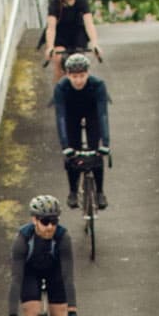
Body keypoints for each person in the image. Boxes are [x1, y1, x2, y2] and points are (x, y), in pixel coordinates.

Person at [7, 193, 80, 316]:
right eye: (45, 221)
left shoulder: (62, 237)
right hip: (30, 273)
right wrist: (12, 315)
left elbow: (68, 277)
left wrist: (72, 312)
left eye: (54, 221)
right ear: (34, 220)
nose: (49, 226)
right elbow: (16, 279)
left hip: (55, 273)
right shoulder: (23, 239)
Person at [53, 52, 111, 210]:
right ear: (67, 75)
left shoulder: (98, 85)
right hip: (71, 114)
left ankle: (100, 192)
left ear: (88, 73)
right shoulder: (61, 88)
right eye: (74, 77)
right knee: (73, 154)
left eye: (82, 75)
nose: (78, 80)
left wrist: (105, 143)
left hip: (92, 112)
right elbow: (61, 118)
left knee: (96, 152)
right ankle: (72, 191)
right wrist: (66, 146)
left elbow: (103, 114)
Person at [44, 0, 101, 83]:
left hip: (77, 34)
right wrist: (50, 47)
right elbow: (51, 28)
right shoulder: (55, 2)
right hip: (60, 34)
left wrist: (95, 43)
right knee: (59, 62)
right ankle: (59, 95)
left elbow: (89, 23)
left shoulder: (81, 0)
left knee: (80, 65)